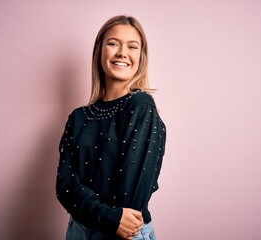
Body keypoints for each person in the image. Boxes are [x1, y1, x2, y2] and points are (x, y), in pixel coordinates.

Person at [56, 15, 166, 240]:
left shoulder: (140, 105)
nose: (122, 53)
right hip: (78, 230)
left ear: (140, 57)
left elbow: (132, 198)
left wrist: (110, 221)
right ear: (100, 51)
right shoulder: (78, 117)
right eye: (113, 43)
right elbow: (65, 185)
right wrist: (108, 216)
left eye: (132, 47)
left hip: (123, 234)